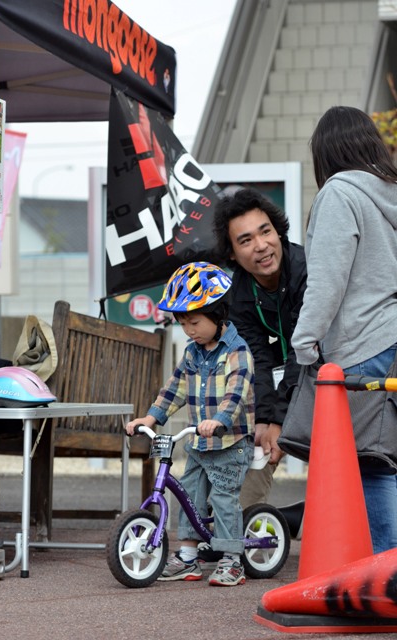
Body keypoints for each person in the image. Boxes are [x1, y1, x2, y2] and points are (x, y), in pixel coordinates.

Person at [291, 105, 397, 553]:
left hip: (362, 344)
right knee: (390, 460)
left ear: (326, 153)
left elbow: (328, 279)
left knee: (368, 464)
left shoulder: (340, 193)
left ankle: (380, 577)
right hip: (393, 338)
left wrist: (304, 337)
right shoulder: (390, 191)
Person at [126, 261, 255, 586]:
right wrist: (151, 417)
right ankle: (187, 556)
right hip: (199, 443)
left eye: (195, 322)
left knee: (224, 498)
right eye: (183, 324)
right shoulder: (192, 353)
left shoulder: (237, 352)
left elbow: (236, 393)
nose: (189, 330)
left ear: (218, 313)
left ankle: (231, 558)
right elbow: (175, 389)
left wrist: (220, 420)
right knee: (189, 494)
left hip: (229, 443)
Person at [212, 188, 307, 509]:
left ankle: (322, 517)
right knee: (252, 427)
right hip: (287, 367)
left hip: (328, 365)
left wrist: (279, 420)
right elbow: (256, 358)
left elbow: (304, 348)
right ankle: (239, 521)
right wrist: (264, 420)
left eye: (265, 231)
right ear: (232, 255)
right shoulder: (238, 290)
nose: (261, 245)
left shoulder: (307, 270)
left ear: (278, 231)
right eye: (246, 240)